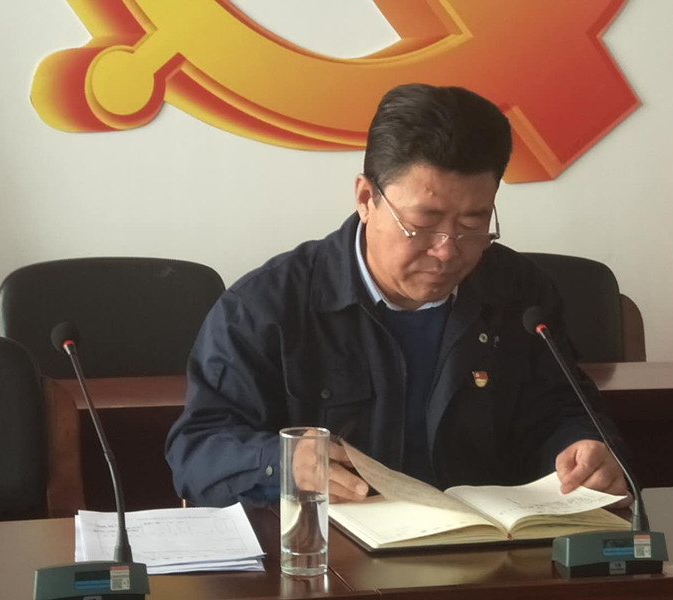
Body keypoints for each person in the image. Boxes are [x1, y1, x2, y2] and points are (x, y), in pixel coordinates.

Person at [166, 83, 629, 506]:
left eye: (473, 224)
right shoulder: (267, 305)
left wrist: (582, 447)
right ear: (365, 199)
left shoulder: (520, 293)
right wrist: (281, 461)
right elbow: (196, 451)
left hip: (489, 550)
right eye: (422, 224)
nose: (447, 250)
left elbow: (563, 409)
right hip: (330, 553)